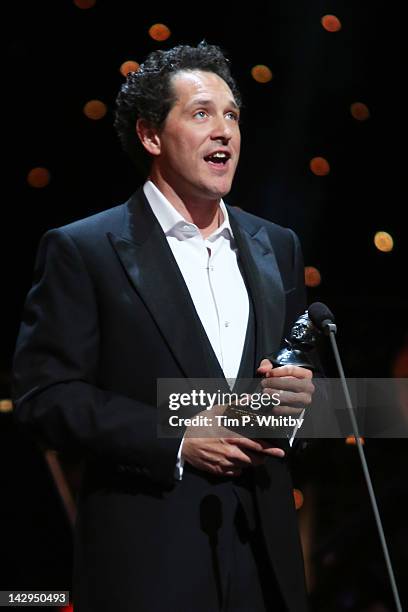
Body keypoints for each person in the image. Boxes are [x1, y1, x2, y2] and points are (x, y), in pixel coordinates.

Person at [13, 42, 316, 612]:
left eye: (232, 115)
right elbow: (45, 397)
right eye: (202, 113)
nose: (224, 130)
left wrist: (302, 394)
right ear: (151, 136)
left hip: (265, 559)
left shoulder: (277, 245)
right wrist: (174, 435)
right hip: (149, 560)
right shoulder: (85, 249)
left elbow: (293, 369)